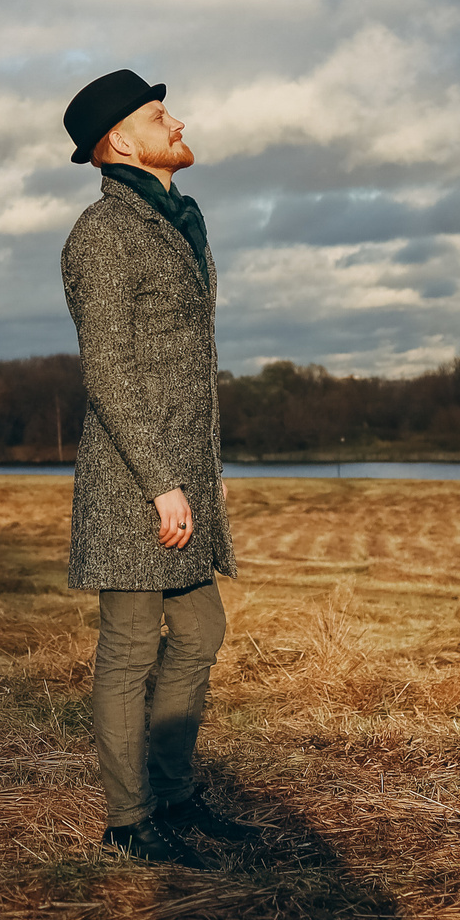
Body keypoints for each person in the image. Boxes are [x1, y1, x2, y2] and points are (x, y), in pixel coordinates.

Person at [59, 68, 263, 867]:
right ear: (119, 141)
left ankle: (174, 795)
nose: (176, 122)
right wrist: (160, 482)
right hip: (134, 482)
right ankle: (130, 820)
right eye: (157, 114)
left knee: (202, 628)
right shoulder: (103, 233)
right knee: (132, 644)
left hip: (181, 473)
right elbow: (108, 371)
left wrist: (202, 472)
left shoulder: (179, 221)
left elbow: (187, 366)